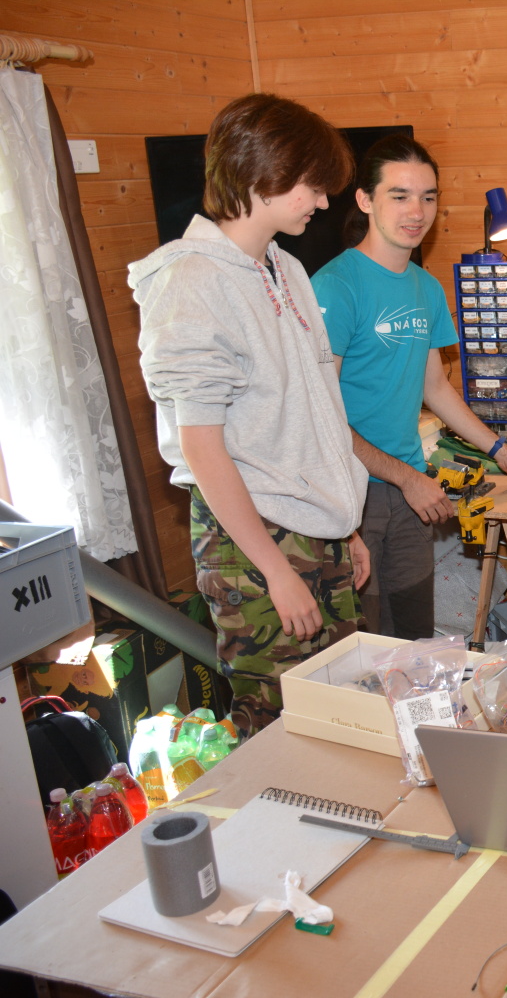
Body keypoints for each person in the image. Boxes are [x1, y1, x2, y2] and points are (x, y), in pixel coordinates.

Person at [132, 94, 370, 736]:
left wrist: (342, 522)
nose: (323, 204)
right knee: (281, 732)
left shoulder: (284, 266)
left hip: (313, 530)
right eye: (315, 187)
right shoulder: (191, 282)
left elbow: (314, 414)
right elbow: (204, 451)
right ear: (265, 173)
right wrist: (274, 570)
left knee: (345, 718)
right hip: (254, 543)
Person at [311, 135, 507, 640]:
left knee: (415, 644)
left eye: (428, 197)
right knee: (364, 648)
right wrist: (406, 479)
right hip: (353, 494)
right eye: (399, 195)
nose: (416, 211)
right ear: (365, 201)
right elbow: (320, 416)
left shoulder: (425, 286)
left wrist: (504, 453)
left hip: (408, 490)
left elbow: (435, 388)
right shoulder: (335, 287)